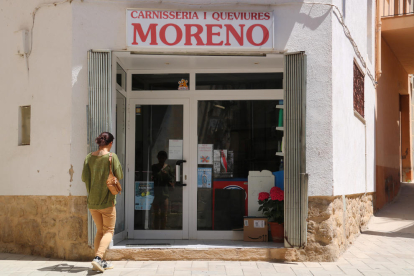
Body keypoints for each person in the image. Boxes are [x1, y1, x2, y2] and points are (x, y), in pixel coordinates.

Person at [81, 132, 123, 272]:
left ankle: (101, 262)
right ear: (110, 143)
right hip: (107, 202)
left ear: (99, 142)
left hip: (92, 202)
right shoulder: (111, 157)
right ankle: (98, 258)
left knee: (100, 231)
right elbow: (120, 175)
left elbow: (84, 177)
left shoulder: (89, 157)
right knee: (109, 231)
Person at [151, 151, 175, 229]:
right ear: (157, 158)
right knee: (156, 214)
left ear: (165, 158)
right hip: (156, 194)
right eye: (160, 157)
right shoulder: (154, 167)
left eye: (163, 158)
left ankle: (163, 230)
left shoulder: (168, 168)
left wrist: (166, 175)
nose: (161, 159)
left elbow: (172, 180)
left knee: (164, 214)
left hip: (165, 194)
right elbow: (151, 178)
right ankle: (156, 230)